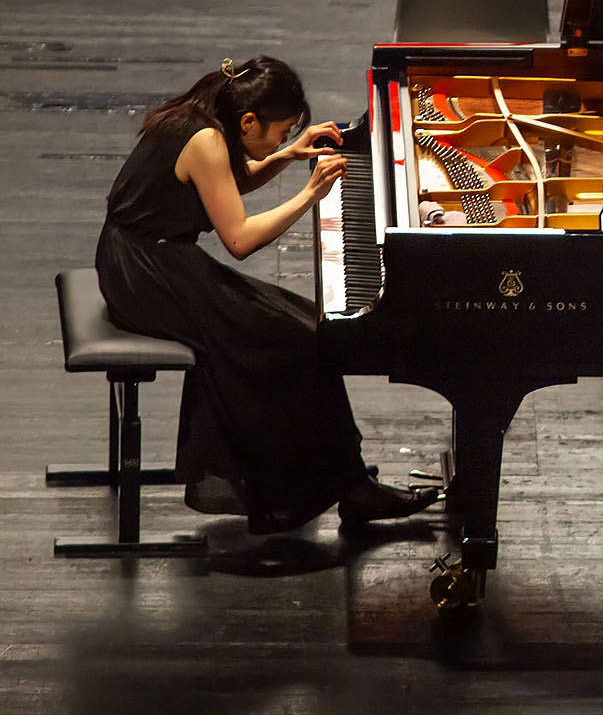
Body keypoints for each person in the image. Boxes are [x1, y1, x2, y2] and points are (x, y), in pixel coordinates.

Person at [95, 54, 439, 533]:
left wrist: (287, 154)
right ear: (249, 121)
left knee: (308, 325)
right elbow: (239, 241)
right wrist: (309, 194)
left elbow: (228, 184)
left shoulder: (205, 116)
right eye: (281, 132)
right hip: (146, 275)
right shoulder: (207, 141)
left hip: (145, 259)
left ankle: (344, 476)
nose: (280, 140)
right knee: (295, 338)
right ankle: (323, 483)